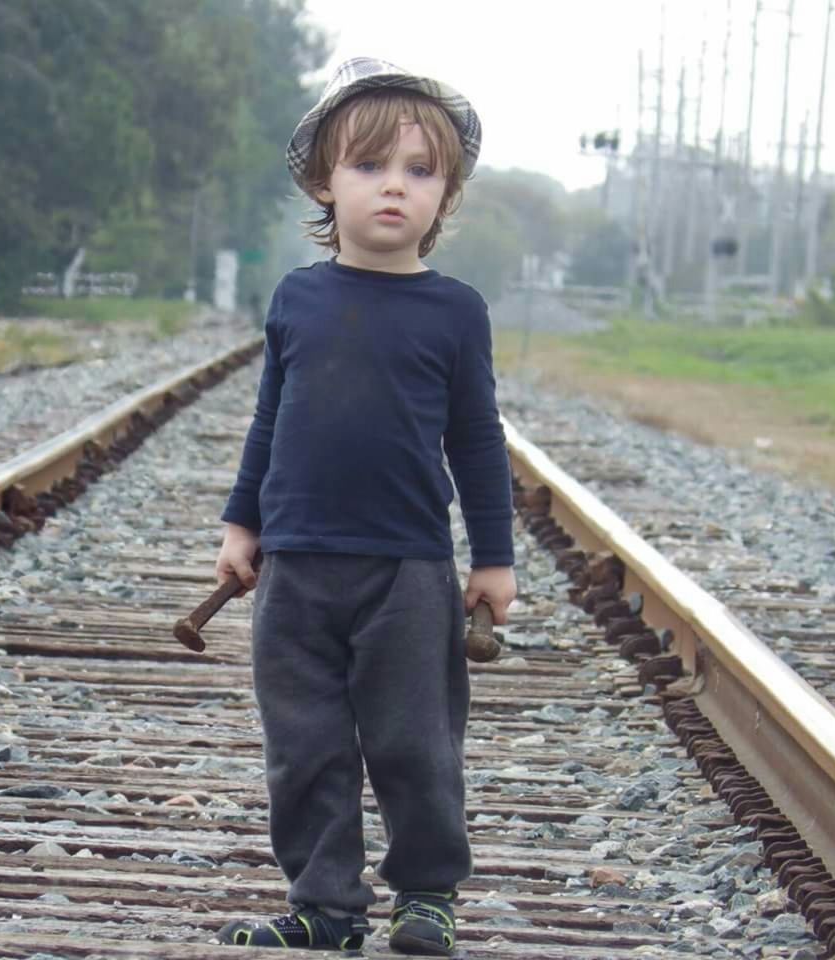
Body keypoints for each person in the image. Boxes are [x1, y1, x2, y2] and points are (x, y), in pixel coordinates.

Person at [213, 57, 517, 957]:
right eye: (370, 166)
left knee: (416, 743)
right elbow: (272, 417)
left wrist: (492, 558)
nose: (395, 187)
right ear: (323, 179)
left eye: (421, 172)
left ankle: (425, 894)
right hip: (297, 565)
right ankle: (324, 906)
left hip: (408, 569)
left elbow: (477, 439)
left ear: (446, 195)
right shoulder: (298, 299)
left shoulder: (454, 313)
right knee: (304, 746)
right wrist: (241, 525)